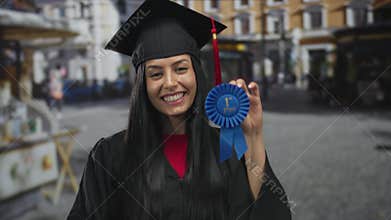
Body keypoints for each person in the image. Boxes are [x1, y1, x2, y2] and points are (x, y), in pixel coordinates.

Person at [67, 0, 291, 219]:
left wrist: (253, 136)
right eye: (156, 74)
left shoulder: (225, 147)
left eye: (181, 69)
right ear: (142, 85)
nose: (170, 82)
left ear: (196, 73)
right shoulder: (109, 156)